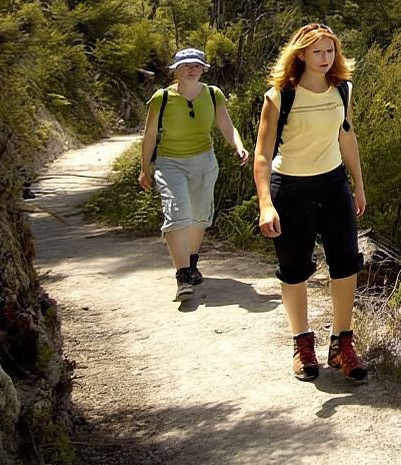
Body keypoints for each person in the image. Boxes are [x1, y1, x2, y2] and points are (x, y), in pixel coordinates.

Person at [253, 23, 367, 381]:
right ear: (300, 54)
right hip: (291, 188)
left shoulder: (342, 90)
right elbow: (261, 154)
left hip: (333, 184)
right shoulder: (279, 97)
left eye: (330, 50)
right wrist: (266, 203)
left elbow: (346, 137)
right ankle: (303, 343)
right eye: (317, 51)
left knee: (346, 263)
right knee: (293, 269)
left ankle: (342, 344)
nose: (325, 58)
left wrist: (358, 185)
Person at [139, 48, 250, 301]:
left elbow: (226, 125)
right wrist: (144, 168)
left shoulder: (213, 94)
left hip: (204, 162)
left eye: (197, 66)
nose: (191, 69)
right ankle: (183, 276)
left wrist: (238, 146)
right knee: (177, 212)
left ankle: (191, 262)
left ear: (203, 69)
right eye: (185, 65)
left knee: (199, 216)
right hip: (170, 163)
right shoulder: (161, 98)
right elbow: (150, 136)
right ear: (175, 70)